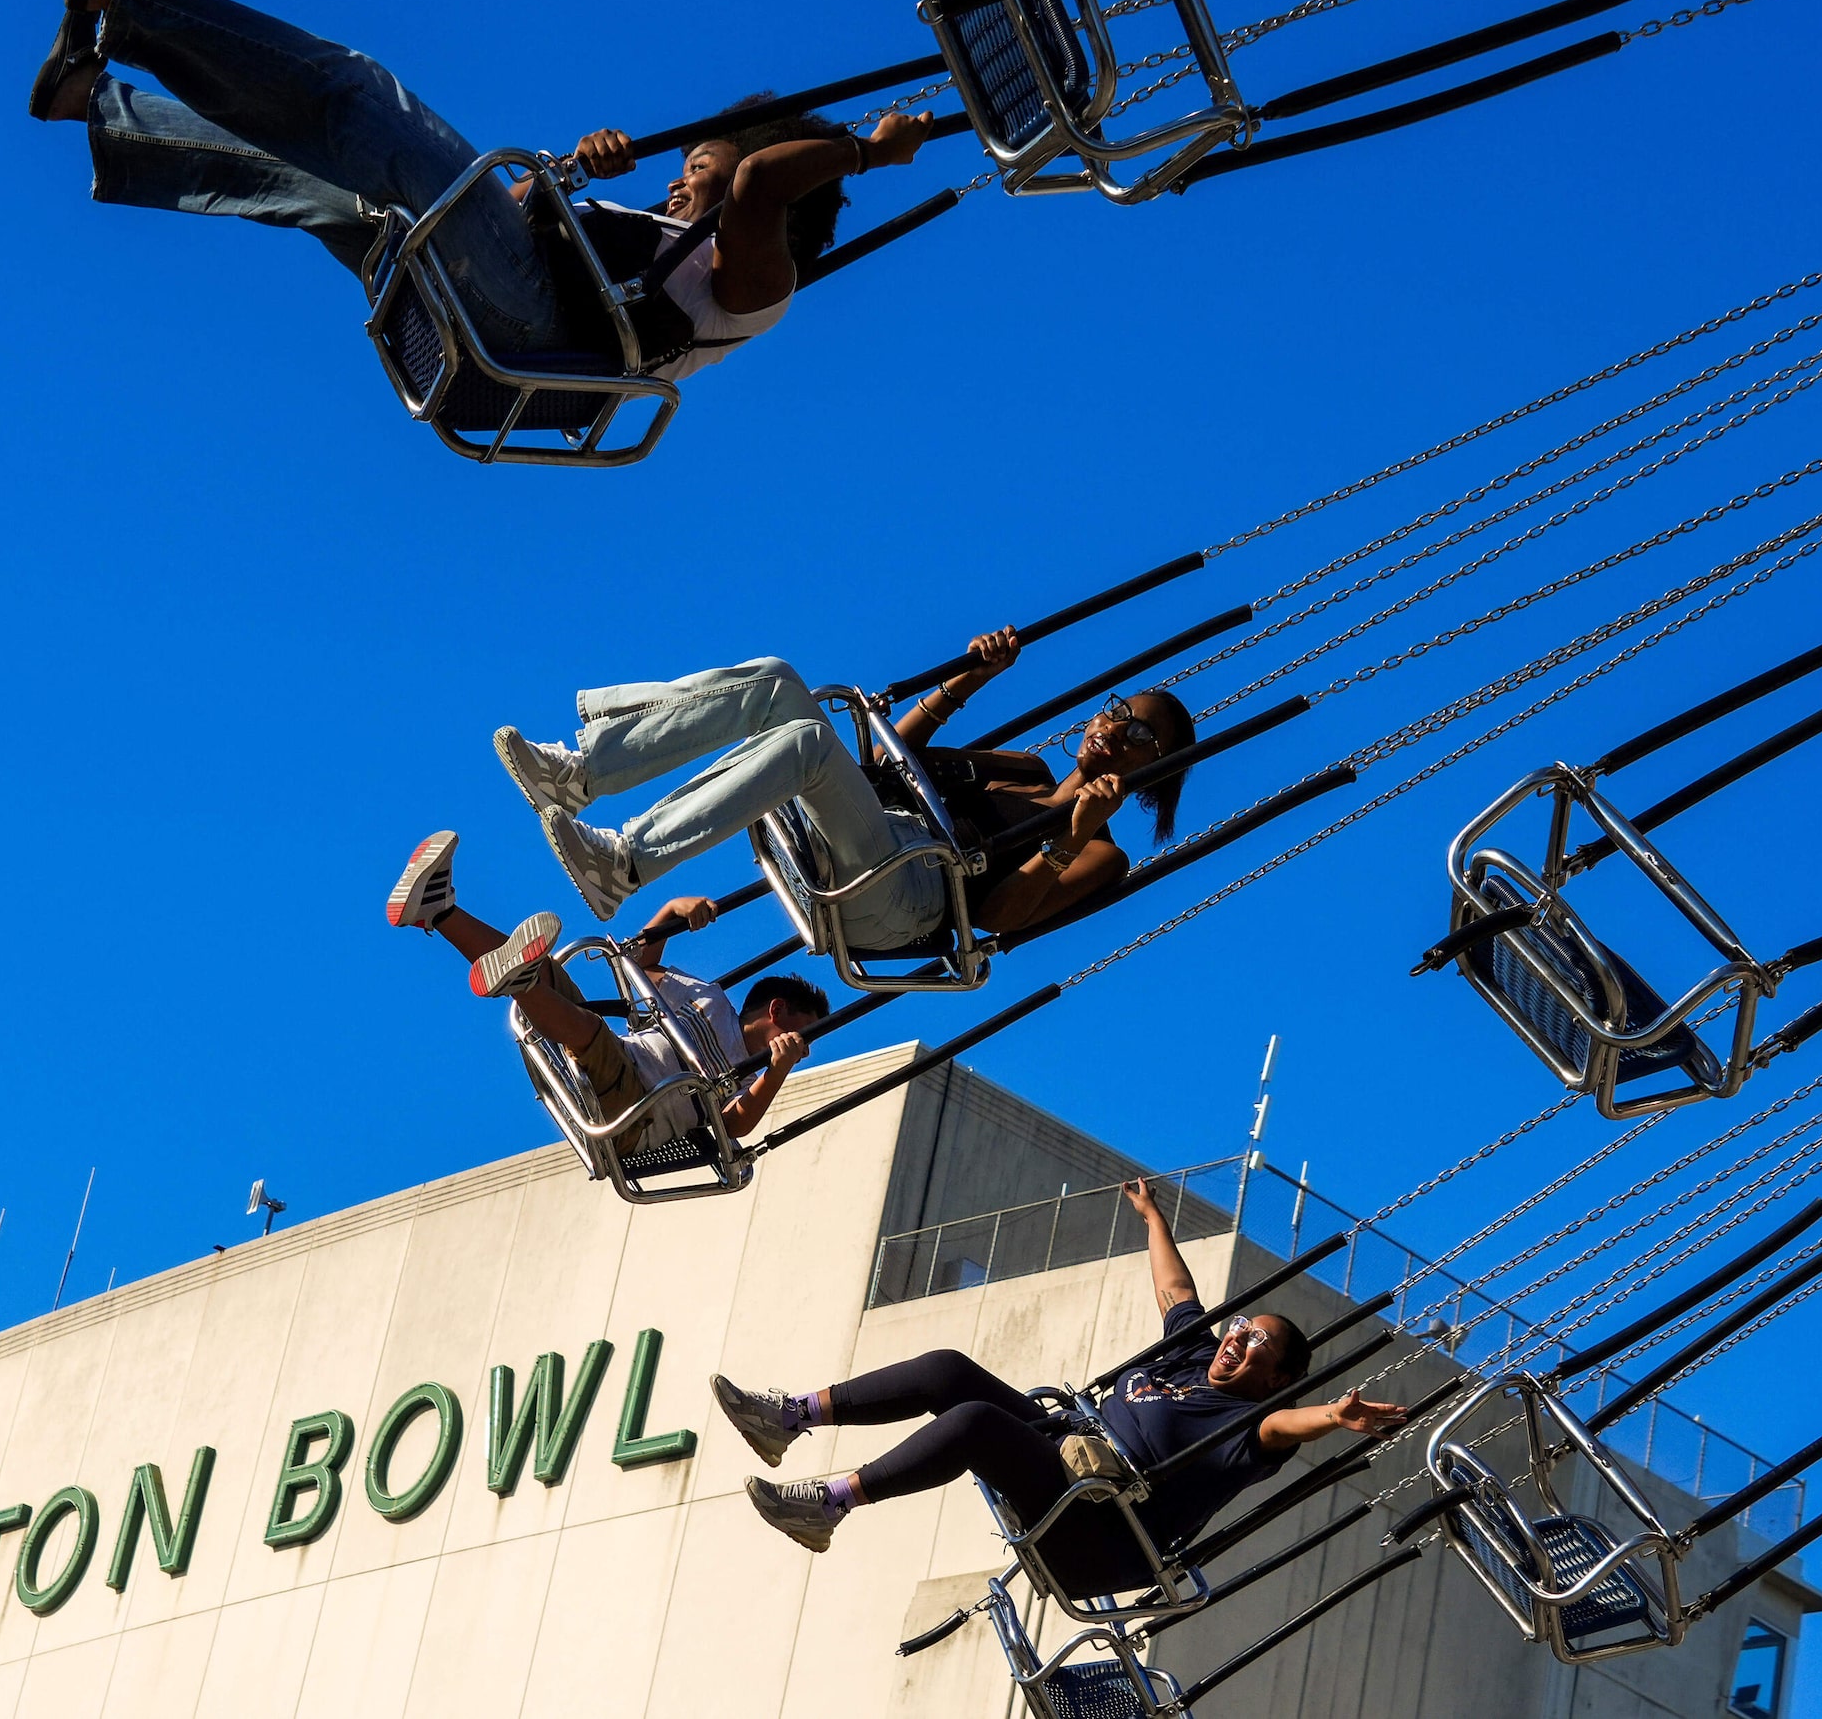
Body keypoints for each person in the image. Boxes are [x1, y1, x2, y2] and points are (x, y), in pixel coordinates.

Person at [25, 0, 934, 385]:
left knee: (360, 95)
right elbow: (499, 208)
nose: (677, 179)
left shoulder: (757, 283)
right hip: (498, 305)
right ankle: (95, 106)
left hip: (525, 331)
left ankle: (130, 1)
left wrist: (868, 150)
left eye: (692, 167)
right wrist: (561, 180)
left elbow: (756, 184)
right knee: (326, 174)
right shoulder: (653, 233)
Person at [712, 1176, 1404, 1585]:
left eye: (1255, 1343)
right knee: (946, 1370)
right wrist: (1153, 1219)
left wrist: (1333, 1417)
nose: (1236, 1340)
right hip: (1067, 1456)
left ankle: (828, 1504)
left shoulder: (1246, 1428)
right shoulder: (1192, 1356)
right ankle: (790, 1417)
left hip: (1104, 1528)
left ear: (1274, 1378)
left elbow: (1285, 1426)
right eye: (1239, 1328)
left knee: (976, 1427)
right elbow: (1175, 1290)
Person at [491, 635, 1195, 955]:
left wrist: (1070, 834)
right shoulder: (1027, 768)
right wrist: (970, 679)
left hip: (908, 900)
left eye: (1135, 731)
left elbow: (1000, 920)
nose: (1112, 726)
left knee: (806, 743)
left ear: (1152, 767)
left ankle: (624, 862)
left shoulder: (1101, 853)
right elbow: (887, 759)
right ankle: (579, 774)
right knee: (775, 677)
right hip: (875, 830)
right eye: (1114, 708)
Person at [383, 831, 828, 1156]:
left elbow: (736, 1123)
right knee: (550, 975)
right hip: (619, 1060)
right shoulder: (708, 998)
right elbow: (643, 966)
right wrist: (673, 909)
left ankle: (519, 982)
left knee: (590, 1031)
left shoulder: (751, 1076)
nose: (802, 1050)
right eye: (803, 1034)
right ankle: (438, 910)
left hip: (636, 1114)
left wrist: (776, 1071)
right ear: (778, 1009)